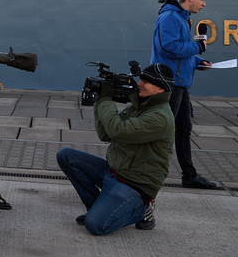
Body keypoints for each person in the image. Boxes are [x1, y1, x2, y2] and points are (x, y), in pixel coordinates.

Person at [57, 63, 175, 235]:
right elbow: (106, 134)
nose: (139, 84)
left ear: (160, 89)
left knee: (96, 225)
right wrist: (100, 101)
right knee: (66, 156)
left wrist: (106, 99)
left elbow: (117, 131)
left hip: (136, 183)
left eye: (146, 81)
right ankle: (97, 208)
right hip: (114, 171)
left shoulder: (159, 117)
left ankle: (142, 211)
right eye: (141, 79)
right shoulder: (138, 106)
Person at [150, 0, 217, 189]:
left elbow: (179, 52)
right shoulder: (170, 18)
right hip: (169, 84)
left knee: (183, 129)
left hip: (180, 82)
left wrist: (198, 61)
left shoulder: (181, 18)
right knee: (163, 131)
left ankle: (189, 176)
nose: (204, 4)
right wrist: (198, 46)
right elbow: (168, 48)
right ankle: (148, 175)